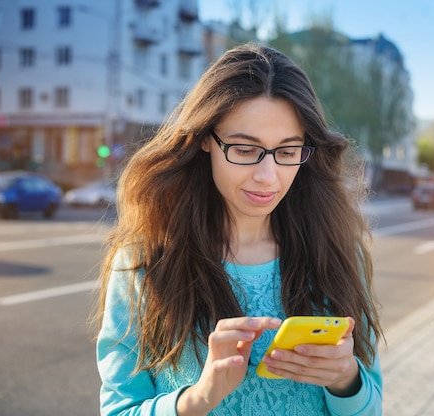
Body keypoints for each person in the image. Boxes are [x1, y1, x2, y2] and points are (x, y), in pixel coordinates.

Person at [94, 42, 383, 415]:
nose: (267, 176)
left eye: (287, 151)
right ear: (204, 139)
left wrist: (346, 380)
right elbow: (119, 409)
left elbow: (371, 407)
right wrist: (197, 399)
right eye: (245, 150)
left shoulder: (339, 253)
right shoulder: (143, 260)